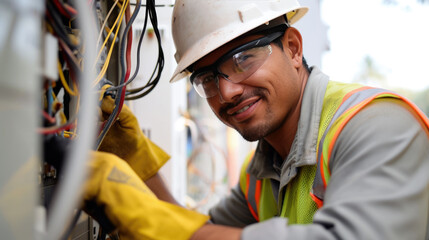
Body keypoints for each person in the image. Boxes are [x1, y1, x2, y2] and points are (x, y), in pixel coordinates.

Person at [85, 0, 429, 239]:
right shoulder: (261, 171)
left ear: (293, 48)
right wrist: (137, 166)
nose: (227, 91)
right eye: (207, 78)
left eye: (242, 59)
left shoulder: (377, 126)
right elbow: (197, 232)